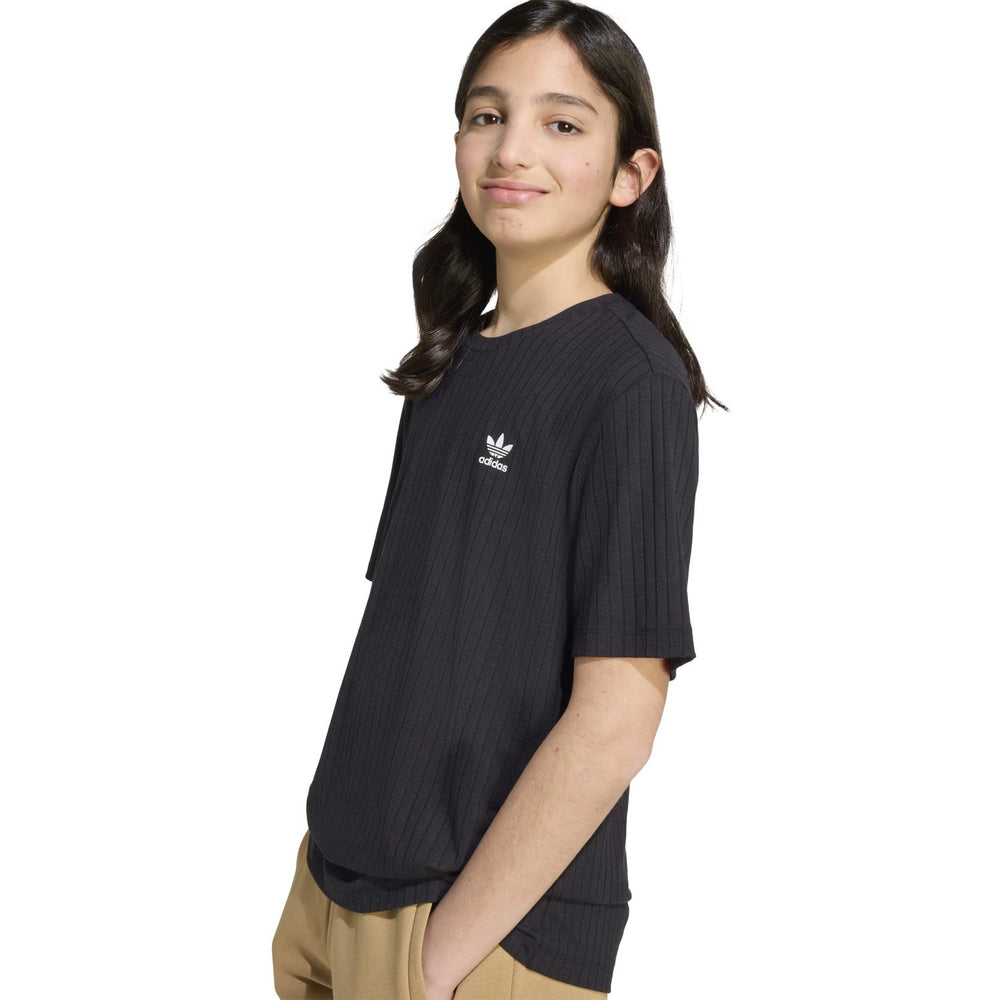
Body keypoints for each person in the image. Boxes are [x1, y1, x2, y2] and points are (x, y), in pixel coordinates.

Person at [272, 2, 723, 997]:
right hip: (339, 887)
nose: (512, 148)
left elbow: (618, 716)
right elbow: (413, 641)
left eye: (561, 123)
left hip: (479, 932)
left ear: (630, 174)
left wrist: (438, 959)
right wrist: (320, 878)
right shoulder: (450, 361)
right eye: (487, 115)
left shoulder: (630, 383)